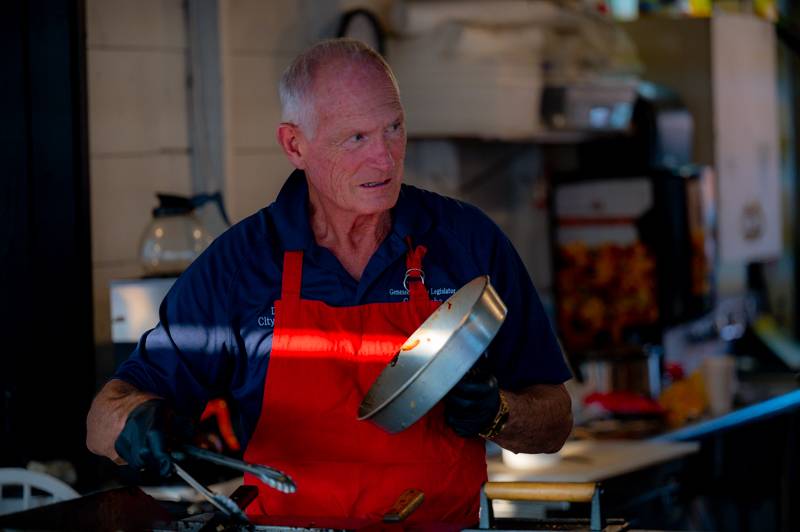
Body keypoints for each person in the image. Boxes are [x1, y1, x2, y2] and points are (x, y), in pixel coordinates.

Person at [86, 38, 572, 526]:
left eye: (394, 128)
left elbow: (555, 420)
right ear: (295, 145)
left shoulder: (467, 242)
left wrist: (497, 412)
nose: (384, 158)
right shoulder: (240, 265)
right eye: (355, 138)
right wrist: (137, 423)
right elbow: (101, 421)